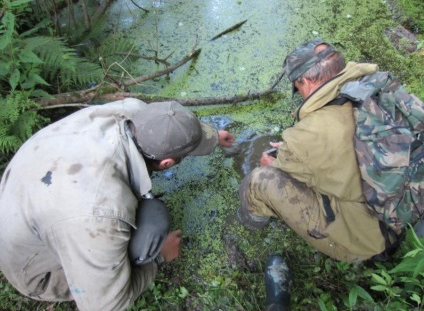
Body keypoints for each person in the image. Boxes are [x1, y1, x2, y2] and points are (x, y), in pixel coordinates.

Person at [0, 98, 234, 311]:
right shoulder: (100, 214)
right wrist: (159, 258)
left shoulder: (130, 112)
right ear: (166, 163)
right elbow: (105, 306)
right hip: (37, 269)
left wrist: (211, 137)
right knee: (154, 220)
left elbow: (170, 127)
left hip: (32, 196)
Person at [238, 38, 402, 264]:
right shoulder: (381, 88)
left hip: (369, 240)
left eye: (298, 88)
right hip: (405, 214)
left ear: (304, 80)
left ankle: (251, 223)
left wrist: (273, 164)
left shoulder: (309, 134)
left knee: (259, 181)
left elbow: (288, 167)